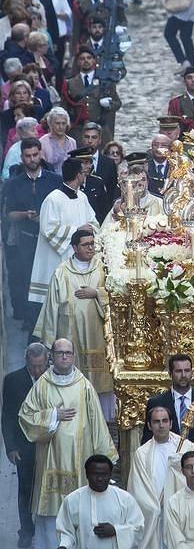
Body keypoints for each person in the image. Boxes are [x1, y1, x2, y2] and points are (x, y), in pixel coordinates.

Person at [18, 338, 118, 549]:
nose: (64, 356)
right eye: (60, 352)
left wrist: (105, 458)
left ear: (74, 356)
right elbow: (26, 415)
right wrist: (53, 415)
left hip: (80, 457)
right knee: (51, 509)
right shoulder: (43, 384)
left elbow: (97, 422)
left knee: (78, 509)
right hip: (50, 456)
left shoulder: (84, 385)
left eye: (68, 353)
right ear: (52, 356)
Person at [33, 228, 113, 420]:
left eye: (93, 244)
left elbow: (115, 294)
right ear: (75, 248)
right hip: (71, 337)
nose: (91, 248)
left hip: (98, 338)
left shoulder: (103, 268)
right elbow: (52, 306)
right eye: (86, 245)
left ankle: (100, 421)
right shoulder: (62, 272)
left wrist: (97, 293)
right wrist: (50, 340)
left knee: (100, 387)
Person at [128, 406, 194, 549]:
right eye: (156, 422)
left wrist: (177, 470)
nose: (161, 425)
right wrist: (156, 509)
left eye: (165, 421)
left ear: (171, 423)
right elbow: (138, 490)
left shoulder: (185, 448)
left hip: (181, 516)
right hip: (156, 520)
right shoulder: (141, 455)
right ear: (149, 426)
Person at [55, 453, 143, 549]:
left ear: (110, 474)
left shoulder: (124, 499)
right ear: (87, 474)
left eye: (104, 474)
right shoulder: (73, 500)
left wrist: (115, 531)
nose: (100, 478)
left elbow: (138, 528)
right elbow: (66, 532)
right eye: (95, 474)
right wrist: (64, 547)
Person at [28, 157, 98, 317]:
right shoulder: (53, 199)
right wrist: (77, 230)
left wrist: (89, 232)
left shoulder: (82, 197)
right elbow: (48, 229)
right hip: (56, 260)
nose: (86, 174)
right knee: (54, 309)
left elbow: (93, 222)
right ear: (78, 175)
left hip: (78, 260)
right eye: (83, 171)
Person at [143, 353, 194, 489]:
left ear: (192, 373)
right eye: (178, 371)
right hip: (166, 469)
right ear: (170, 373)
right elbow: (147, 440)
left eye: (187, 370)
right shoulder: (156, 402)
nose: (183, 375)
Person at [4, 137, 62, 323]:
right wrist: (25, 215)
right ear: (22, 157)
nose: (32, 159)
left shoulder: (55, 180)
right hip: (26, 238)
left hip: (49, 238)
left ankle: (50, 318)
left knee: (51, 278)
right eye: (27, 156)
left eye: (35, 155)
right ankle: (30, 321)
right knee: (26, 279)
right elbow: (9, 213)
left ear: (40, 154)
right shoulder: (13, 183)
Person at [1, 342, 49, 549]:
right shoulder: (13, 380)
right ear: (26, 362)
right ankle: (26, 530)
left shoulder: (54, 378)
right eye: (33, 367)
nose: (37, 371)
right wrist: (11, 447)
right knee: (25, 488)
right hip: (25, 445)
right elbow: (8, 416)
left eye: (41, 366)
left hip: (50, 444)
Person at [62, 45, 122, 145]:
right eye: (82, 58)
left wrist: (109, 104)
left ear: (94, 61)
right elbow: (64, 107)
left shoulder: (105, 82)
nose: (86, 61)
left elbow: (118, 103)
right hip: (78, 132)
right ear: (77, 62)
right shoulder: (70, 83)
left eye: (89, 58)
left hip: (100, 131)